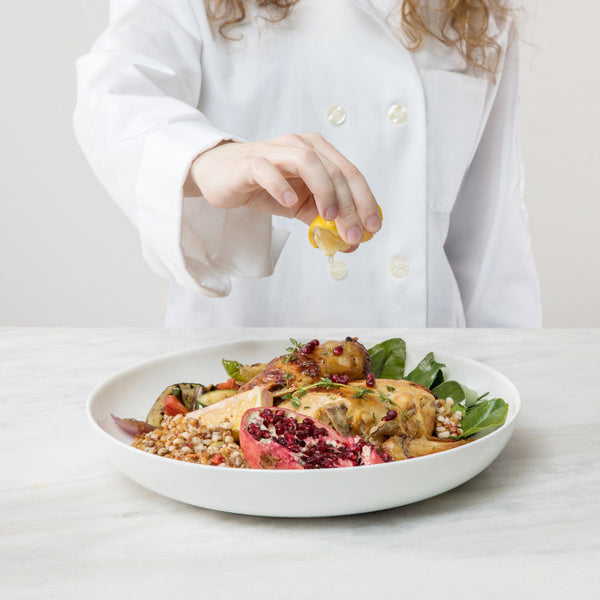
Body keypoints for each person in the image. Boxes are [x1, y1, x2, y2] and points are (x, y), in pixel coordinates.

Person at [73, 0, 542, 328]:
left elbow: (491, 231)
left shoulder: (480, 10)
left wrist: (512, 377)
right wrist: (208, 156)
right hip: (244, 362)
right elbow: (113, 93)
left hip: (431, 372)